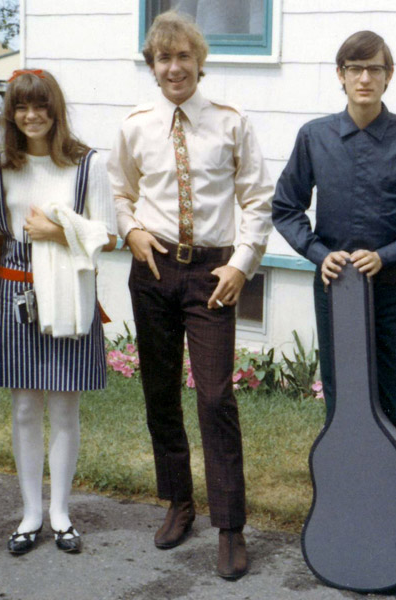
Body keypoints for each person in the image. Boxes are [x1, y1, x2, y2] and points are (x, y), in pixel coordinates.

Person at [108, 10, 273, 580]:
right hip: (153, 271)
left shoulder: (230, 121)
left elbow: (256, 198)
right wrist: (129, 230)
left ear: (200, 62)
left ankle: (230, 526)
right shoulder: (135, 124)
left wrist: (241, 265)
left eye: (184, 57)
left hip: (211, 275)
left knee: (215, 397)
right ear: (152, 67)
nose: (174, 67)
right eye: (163, 58)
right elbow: (119, 189)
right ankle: (179, 503)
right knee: (159, 392)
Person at [272, 31, 396, 443]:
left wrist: (389, 254)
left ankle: (393, 491)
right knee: (344, 397)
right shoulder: (315, 137)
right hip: (336, 288)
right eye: (355, 68)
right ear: (341, 75)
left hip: (389, 288)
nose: (365, 78)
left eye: (375, 69)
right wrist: (319, 253)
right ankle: (347, 488)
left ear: (389, 76)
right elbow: (285, 206)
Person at [0, 69, 117, 556]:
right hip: (18, 293)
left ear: (55, 110)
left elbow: (110, 235)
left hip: (69, 294)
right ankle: (30, 513)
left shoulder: (87, 165)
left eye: (40, 106)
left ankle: (60, 512)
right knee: (23, 408)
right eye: (21, 107)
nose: (31, 115)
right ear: (11, 114)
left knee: (62, 406)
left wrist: (59, 234)